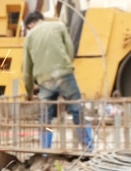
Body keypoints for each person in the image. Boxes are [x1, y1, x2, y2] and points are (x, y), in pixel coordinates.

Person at [21, 8, 92, 151]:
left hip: (45, 81)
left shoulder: (30, 37)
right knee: (77, 110)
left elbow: (27, 70)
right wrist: (66, 64)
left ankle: (45, 151)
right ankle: (88, 147)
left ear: (29, 25)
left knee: (45, 117)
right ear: (41, 19)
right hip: (64, 75)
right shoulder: (58, 26)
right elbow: (70, 49)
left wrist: (29, 92)